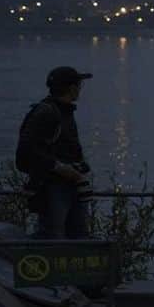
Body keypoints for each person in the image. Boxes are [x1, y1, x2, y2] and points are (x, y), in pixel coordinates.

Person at [16, 66, 94, 239]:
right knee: (52, 238)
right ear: (72, 88)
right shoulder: (47, 112)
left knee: (78, 237)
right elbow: (26, 152)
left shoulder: (64, 111)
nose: (80, 89)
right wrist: (60, 168)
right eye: (79, 85)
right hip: (54, 188)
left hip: (69, 186)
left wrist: (78, 168)